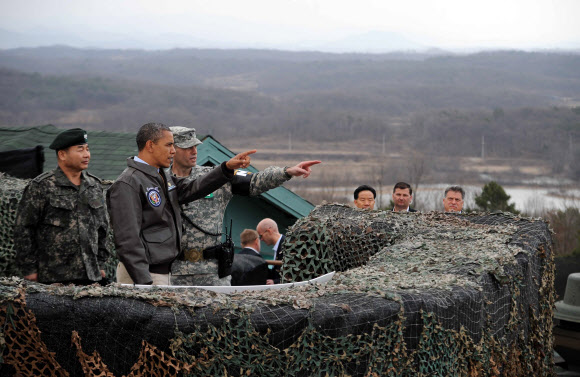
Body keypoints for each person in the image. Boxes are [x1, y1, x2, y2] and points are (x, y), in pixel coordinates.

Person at [168, 126, 321, 286]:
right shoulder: (157, 180)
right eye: (187, 147)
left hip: (212, 272)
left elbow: (255, 181)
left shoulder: (217, 175)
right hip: (173, 272)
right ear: (172, 149)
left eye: (196, 146)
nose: (194, 151)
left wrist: (287, 172)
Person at [107, 122, 256, 285]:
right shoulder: (129, 183)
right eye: (169, 145)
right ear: (150, 145)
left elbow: (192, 188)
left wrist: (226, 169)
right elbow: (127, 240)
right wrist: (145, 283)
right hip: (144, 275)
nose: (173, 150)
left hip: (161, 272)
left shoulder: (159, 177)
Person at [14, 128, 111, 285]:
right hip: (52, 278)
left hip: (90, 276)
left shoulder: (94, 186)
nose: (87, 155)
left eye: (87, 149)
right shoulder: (42, 186)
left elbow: (102, 229)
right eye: (80, 150)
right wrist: (30, 269)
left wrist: (100, 264)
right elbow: (24, 229)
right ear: (62, 154)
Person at [256, 218, 287, 284]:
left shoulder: (287, 246)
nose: (261, 239)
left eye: (261, 236)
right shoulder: (280, 245)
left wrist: (275, 282)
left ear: (269, 231)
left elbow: (291, 274)